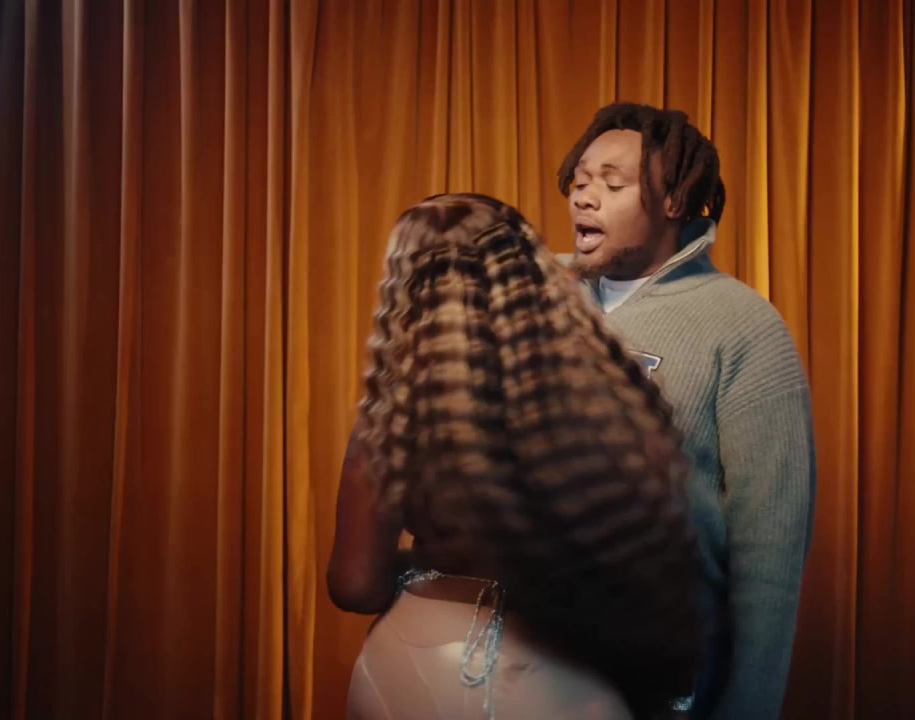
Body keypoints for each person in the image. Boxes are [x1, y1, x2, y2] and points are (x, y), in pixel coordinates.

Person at [327, 192, 704, 720]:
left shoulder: (393, 408)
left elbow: (356, 586)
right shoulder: (608, 387)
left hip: (408, 671)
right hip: (556, 678)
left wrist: (433, 565)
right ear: (528, 274)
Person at [556, 102, 816, 720]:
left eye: (612, 184)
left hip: (661, 686)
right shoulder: (531, 295)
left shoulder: (744, 327)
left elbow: (771, 553)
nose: (584, 197)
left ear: (673, 199)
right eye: (581, 180)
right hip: (525, 677)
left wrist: (750, 707)